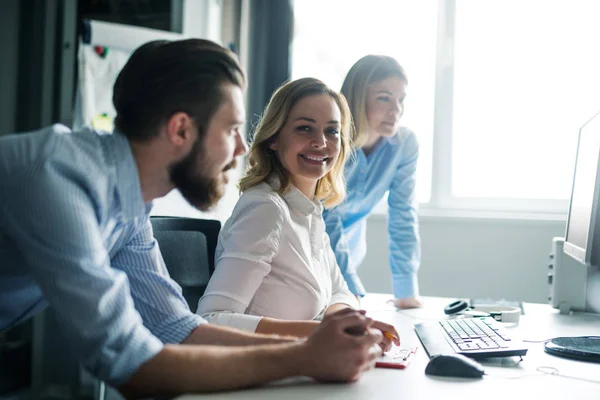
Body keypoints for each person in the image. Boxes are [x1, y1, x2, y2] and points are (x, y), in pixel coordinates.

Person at [0, 39, 383, 399]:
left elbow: (176, 329)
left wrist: (313, 346)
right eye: (232, 128)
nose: (242, 147)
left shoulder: (131, 209)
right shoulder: (57, 178)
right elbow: (128, 364)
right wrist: (304, 356)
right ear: (181, 128)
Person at [196, 78, 399, 351]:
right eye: (305, 128)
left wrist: (352, 327)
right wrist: (320, 332)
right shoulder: (267, 209)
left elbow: (341, 292)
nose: (321, 142)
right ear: (274, 139)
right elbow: (211, 321)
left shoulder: (308, 209)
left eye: (332, 131)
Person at [323, 55, 422, 309]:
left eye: (401, 100)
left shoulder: (404, 146)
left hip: (351, 252)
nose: (396, 110)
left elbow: (403, 216)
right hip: (307, 246)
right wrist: (349, 287)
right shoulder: (330, 142)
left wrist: (406, 291)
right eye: (384, 98)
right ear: (358, 98)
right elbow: (326, 218)